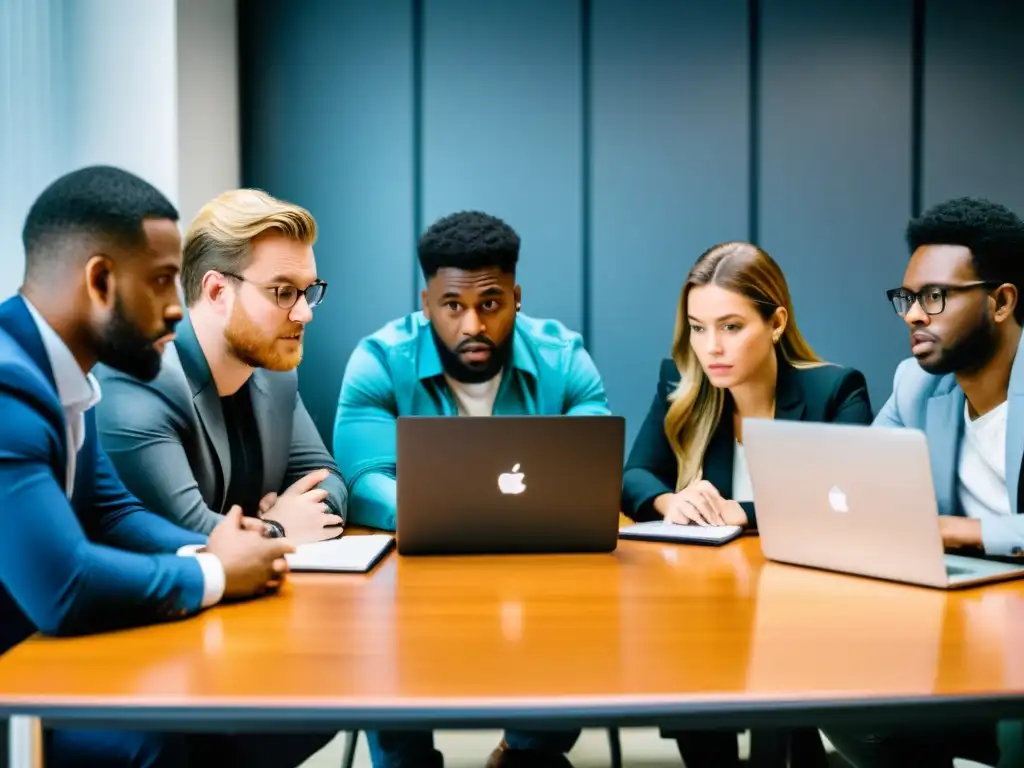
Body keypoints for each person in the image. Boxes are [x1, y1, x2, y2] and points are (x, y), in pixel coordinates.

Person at [0, 165, 333, 767]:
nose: (176, 309)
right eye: (159, 282)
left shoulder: (64, 378)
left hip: (46, 651)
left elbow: (113, 509)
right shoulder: (7, 392)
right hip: (19, 676)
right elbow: (64, 585)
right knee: (164, 744)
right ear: (100, 282)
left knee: (282, 717)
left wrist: (224, 550)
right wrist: (215, 574)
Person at [333, 210, 609, 767]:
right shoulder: (379, 361)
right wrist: (462, 514)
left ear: (516, 296)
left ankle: (527, 752)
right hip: (414, 574)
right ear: (426, 300)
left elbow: (593, 472)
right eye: (452, 306)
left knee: (582, 616)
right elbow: (363, 484)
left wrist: (455, 509)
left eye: (490, 304)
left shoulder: (564, 357)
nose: (472, 326)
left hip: (537, 573)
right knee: (377, 625)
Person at [620, 241, 873, 767]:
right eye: (698, 327)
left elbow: (854, 500)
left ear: (776, 323)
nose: (711, 346)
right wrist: (671, 502)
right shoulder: (683, 382)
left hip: (806, 608)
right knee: (688, 660)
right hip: (708, 609)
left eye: (731, 327)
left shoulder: (836, 391)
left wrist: (746, 511)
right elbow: (634, 476)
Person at [823, 196, 1024, 768]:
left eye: (935, 297)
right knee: (838, 698)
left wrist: (962, 531)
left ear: (1001, 300)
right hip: (963, 618)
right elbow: (861, 484)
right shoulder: (916, 385)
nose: (914, 314)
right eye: (907, 298)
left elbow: (944, 529)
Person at [94, 188, 347, 543]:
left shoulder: (276, 370)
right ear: (216, 292)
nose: (304, 313)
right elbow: (185, 533)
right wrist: (277, 527)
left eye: (308, 291)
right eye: (283, 292)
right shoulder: (138, 377)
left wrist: (301, 513)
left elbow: (326, 478)